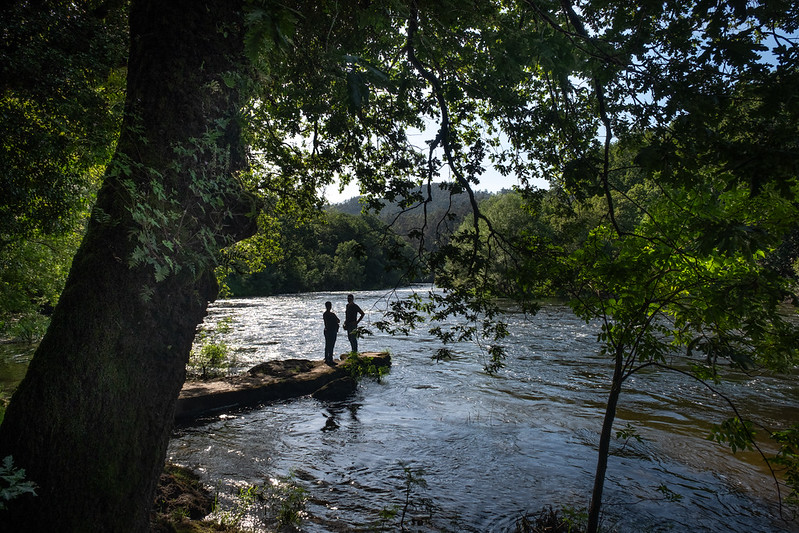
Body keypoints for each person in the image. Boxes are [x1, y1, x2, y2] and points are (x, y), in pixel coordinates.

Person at [322, 301, 340, 365]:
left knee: (327, 345)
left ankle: (326, 358)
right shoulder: (332, 314)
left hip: (326, 330)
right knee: (331, 345)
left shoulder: (324, 314)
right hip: (332, 330)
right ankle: (330, 359)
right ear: (330, 306)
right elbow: (338, 320)